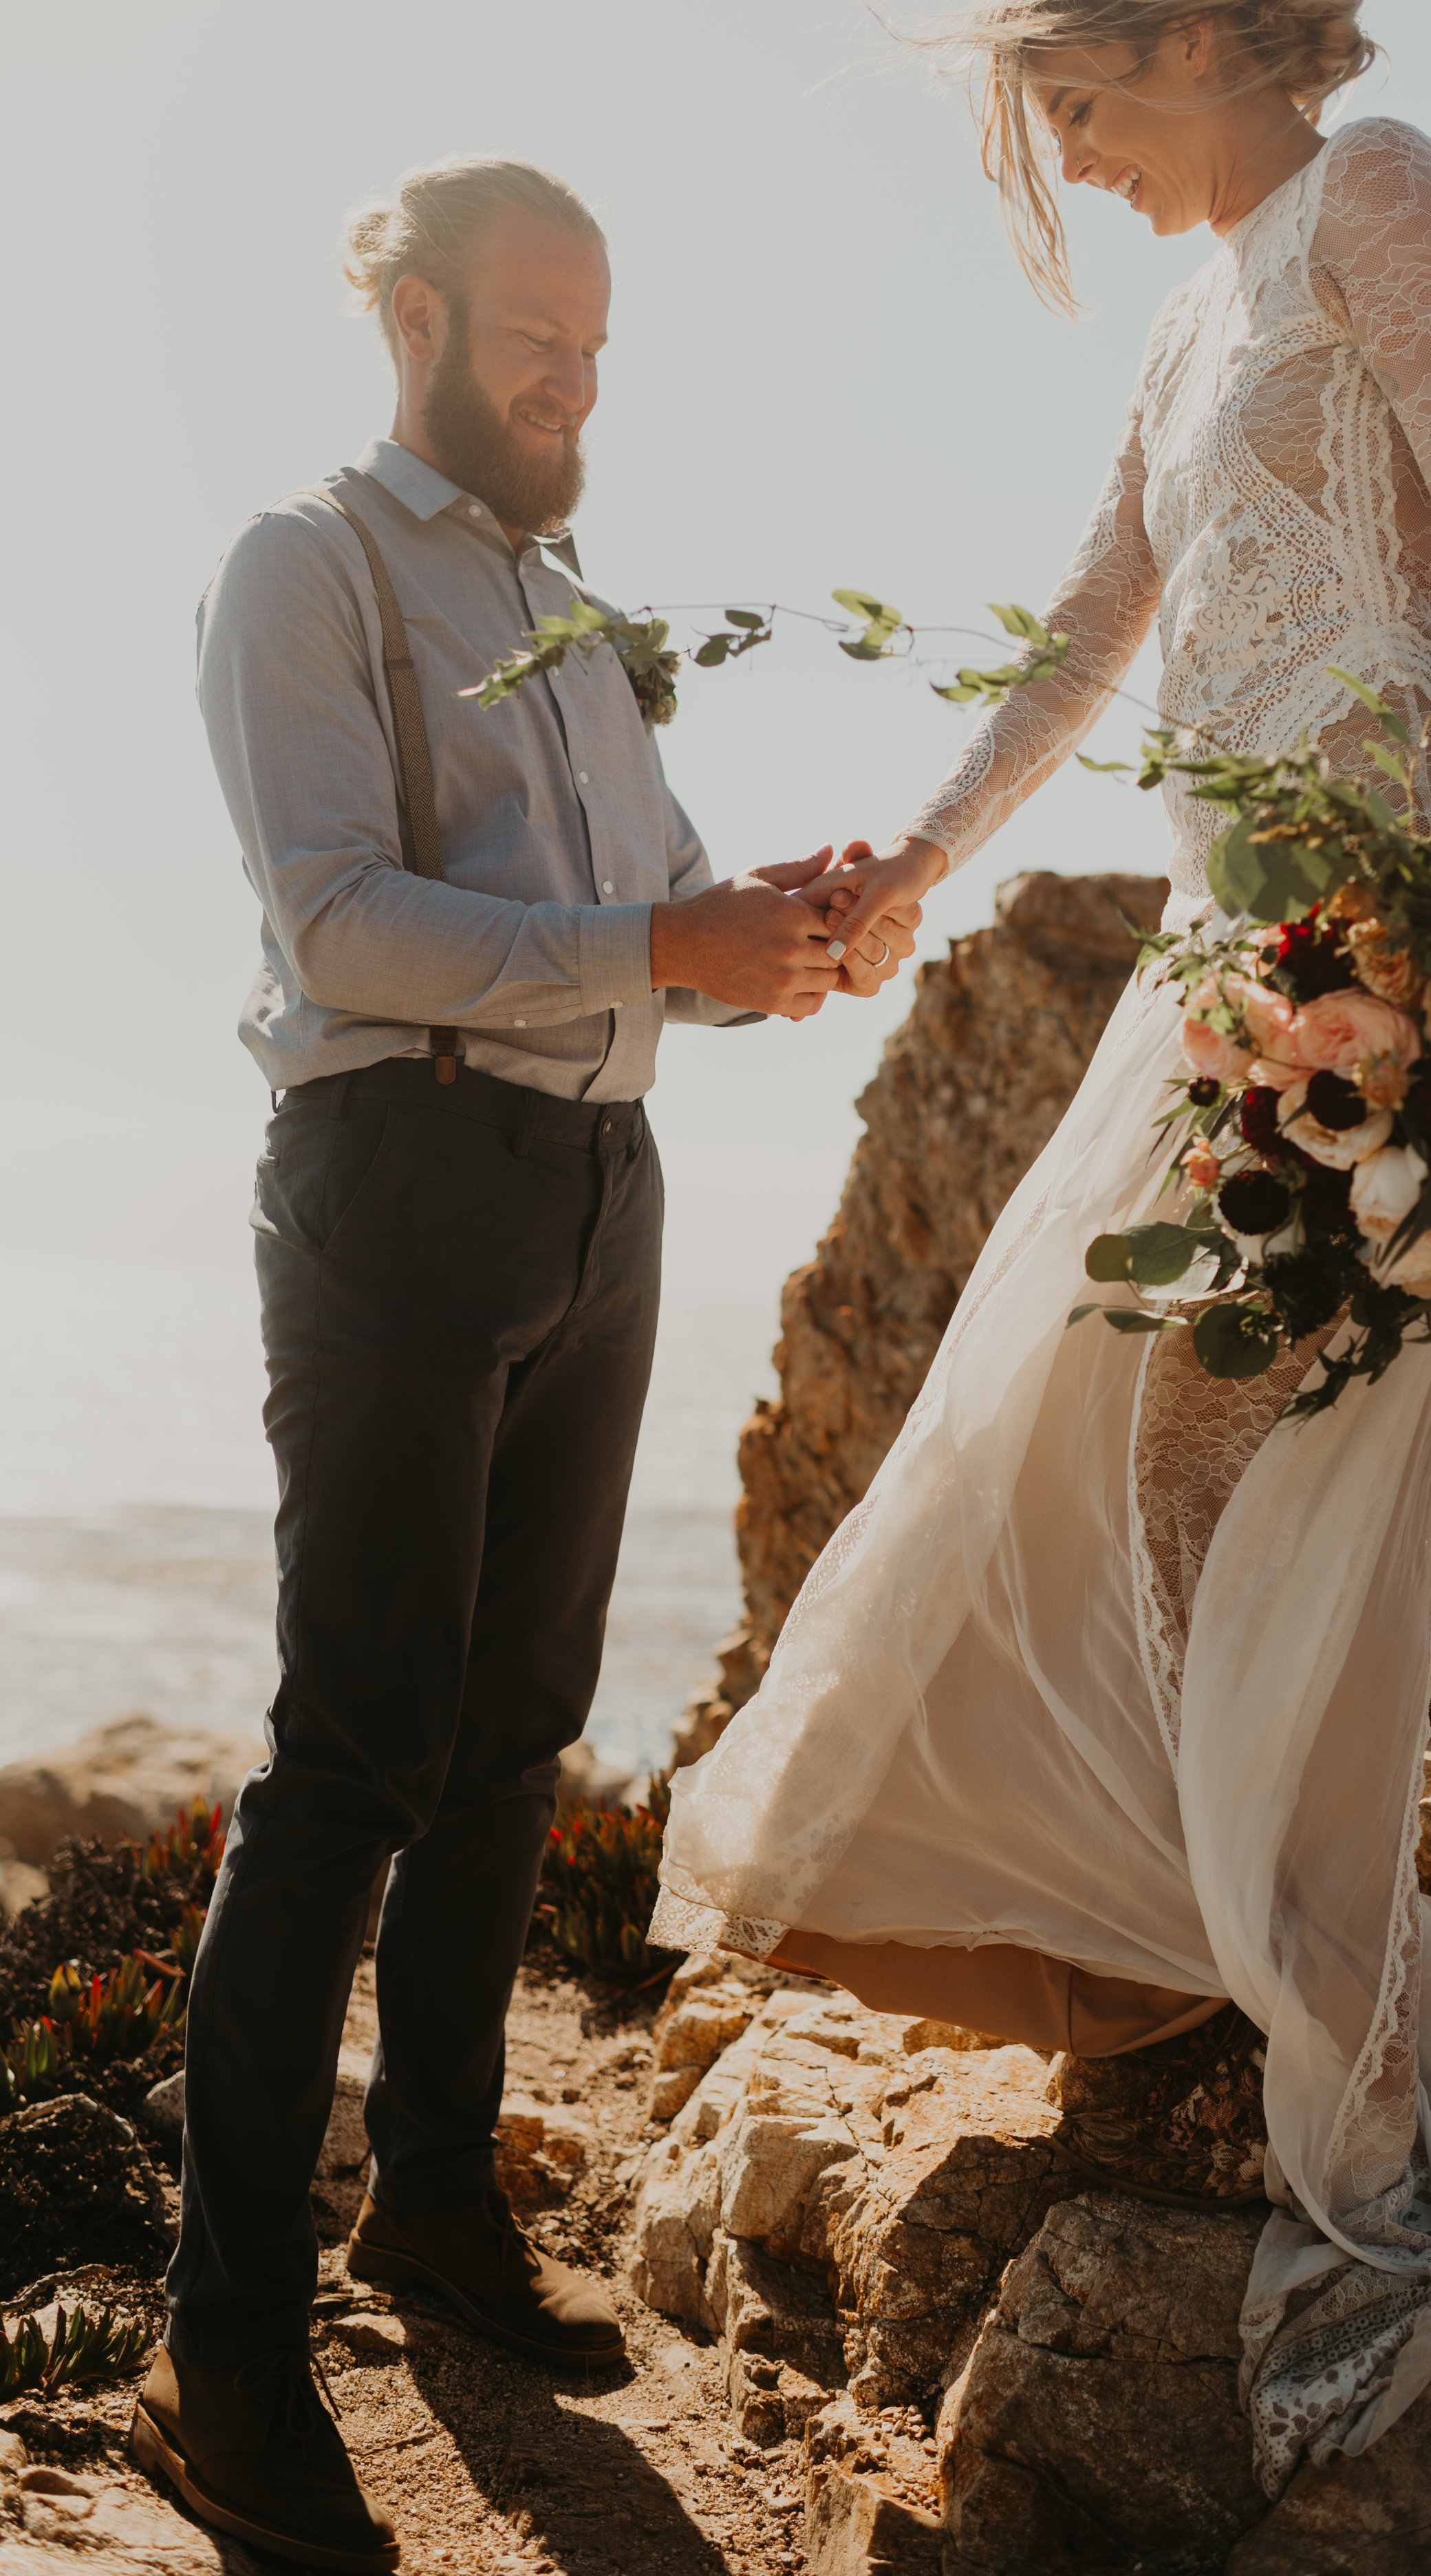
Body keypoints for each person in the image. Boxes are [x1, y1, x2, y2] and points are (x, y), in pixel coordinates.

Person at [654, 3, 1431, 2497]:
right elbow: (1087, 634)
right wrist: (914, 863)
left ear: (1195, 32)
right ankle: (1259, 1974)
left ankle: (1338, 2060)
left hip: (1374, 943)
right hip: (1216, 955)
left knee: (1219, 1457)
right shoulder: (1197, 313)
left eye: (1067, 103)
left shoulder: (1381, 191)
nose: (1063, 161)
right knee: (1131, 1474)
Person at [129, 155, 919, 2573]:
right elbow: (341, 919)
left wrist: (787, 925)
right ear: (409, 317)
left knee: (515, 1731)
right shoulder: (308, 564)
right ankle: (217, 2341)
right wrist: (648, 935)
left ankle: (436, 2207)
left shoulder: (583, 606)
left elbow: (643, 930)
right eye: (531, 343)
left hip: (600, 1195)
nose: (576, 386)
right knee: (352, 1746)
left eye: (599, 347)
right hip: (396, 1181)